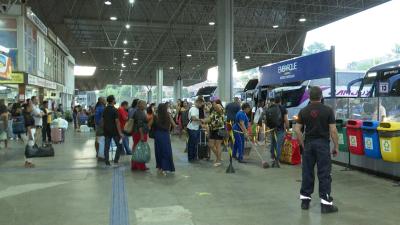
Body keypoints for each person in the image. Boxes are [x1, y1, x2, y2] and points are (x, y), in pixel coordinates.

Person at [294, 86, 339, 214]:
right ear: (321, 96)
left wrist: (303, 144)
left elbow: (297, 129)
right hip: (322, 145)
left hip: (309, 144)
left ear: (309, 96)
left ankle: (305, 202)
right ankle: (325, 205)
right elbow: (333, 130)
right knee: (324, 174)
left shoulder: (303, 111)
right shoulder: (328, 111)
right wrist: (336, 146)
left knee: (307, 172)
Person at [152, 103, 176, 175]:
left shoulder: (156, 116)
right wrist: (169, 130)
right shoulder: (168, 116)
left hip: (158, 135)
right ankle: (166, 167)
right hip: (165, 135)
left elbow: (152, 126)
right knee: (166, 151)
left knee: (158, 151)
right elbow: (174, 125)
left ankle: (160, 167)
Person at [267, 97, 289, 168]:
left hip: (272, 128)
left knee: (273, 143)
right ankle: (277, 160)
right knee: (278, 145)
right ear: (280, 101)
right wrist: (288, 128)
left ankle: (272, 157)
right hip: (280, 129)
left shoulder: (270, 108)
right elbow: (286, 119)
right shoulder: (283, 108)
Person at [102, 95, 124, 166]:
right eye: (114, 99)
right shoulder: (115, 110)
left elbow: (102, 121)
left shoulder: (105, 109)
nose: (115, 100)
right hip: (114, 131)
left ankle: (107, 162)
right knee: (119, 146)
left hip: (106, 130)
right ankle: (116, 160)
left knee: (106, 147)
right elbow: (117, 122)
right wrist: (120, 132)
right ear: (112, 101)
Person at [203, 103, 225, 167]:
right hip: (212, 129)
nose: (215, 107)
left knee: (218, 145)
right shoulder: (213, 112)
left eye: (217, 106)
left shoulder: (222, 111)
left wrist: (217, 106)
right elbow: (209, 119)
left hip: (220, 129)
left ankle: (218, 160)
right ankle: (218, 156)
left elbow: (220, 110)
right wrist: (202, 120)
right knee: (210, 145)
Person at [131, 100, 149, 171]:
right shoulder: (140, 113)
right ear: (140, 105)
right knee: (141, 149)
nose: (145, 105)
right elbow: (140, 125)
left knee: (136, 148)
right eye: (144, 104)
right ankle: (141, 166)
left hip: (136, 133)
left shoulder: (138, 112)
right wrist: (142, 135)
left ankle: (134, 165)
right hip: (139, 133)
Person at [187, 98, 204, 162]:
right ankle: (191, 158)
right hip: (192, 128)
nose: (201, 105)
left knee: (195, 143)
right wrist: (201, 120)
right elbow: (193, 118)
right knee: (192, 143)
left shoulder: (197, 109)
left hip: (196, 128)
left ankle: (194, 156)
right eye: (200, 104)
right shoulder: (193, 109)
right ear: (197, 102)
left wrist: (201, 124)